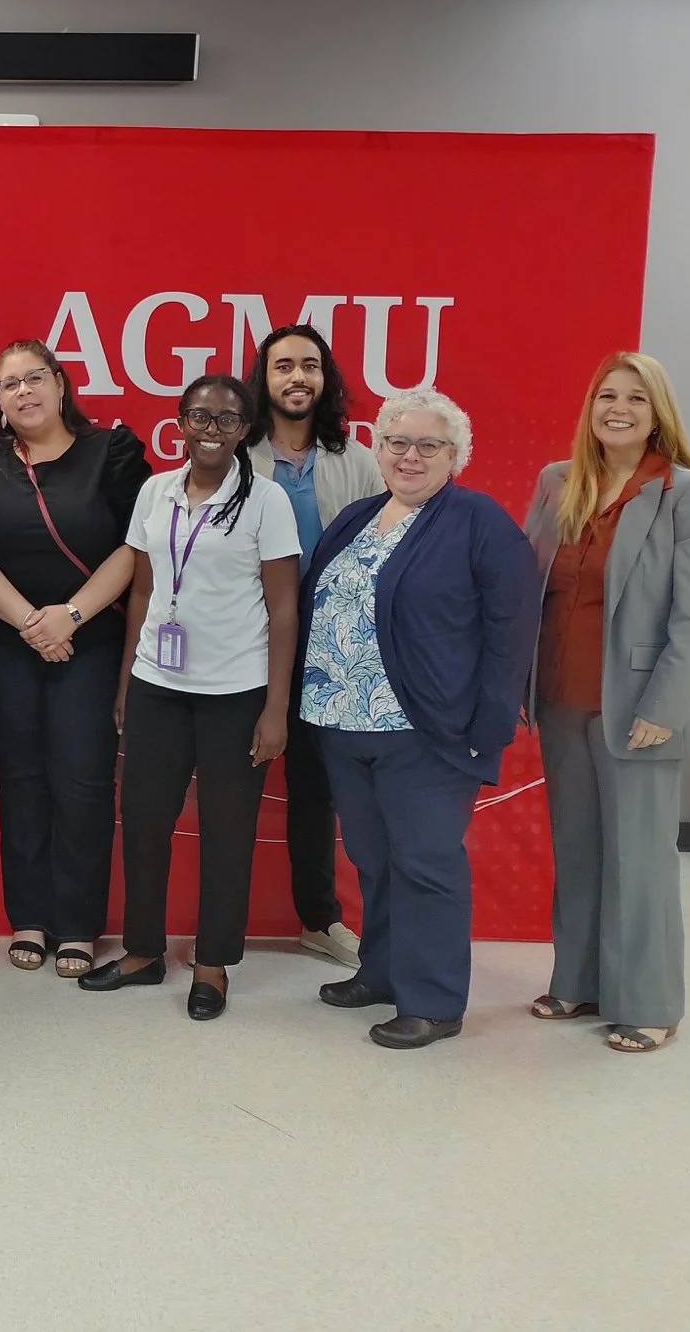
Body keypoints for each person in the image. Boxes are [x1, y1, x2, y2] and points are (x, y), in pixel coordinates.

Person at [298, 390, 536, 1049]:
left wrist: (488, 723)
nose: (410, 455)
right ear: (377, 450)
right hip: (342, 726)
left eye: (428, 445)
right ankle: (383, 972)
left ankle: (432, 1002)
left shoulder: (479, 522)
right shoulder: (356, 517)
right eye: (397, 442)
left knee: (426, 862)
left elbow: (511, 629)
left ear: (455, 456)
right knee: (374, 860)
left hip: (428, 732)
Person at [524, 352, 690, 1055]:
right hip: (559, 701)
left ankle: (648, 1001)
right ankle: (578, 982)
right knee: (578, 850)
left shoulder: (684, 493)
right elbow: (528, 588)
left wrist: (664, 703)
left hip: (639, 708)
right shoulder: (556, 483)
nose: (618, 408)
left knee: (638, 858)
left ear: (656, 412)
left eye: (635, 399)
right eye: (606, 395)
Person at [82, 376, 299, 1020]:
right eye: (198, 417)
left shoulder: (266, 501)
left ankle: (212, 964)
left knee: (227, 833)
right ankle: (144, 952)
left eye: (227, 421)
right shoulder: (156, 492)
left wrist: (275, 707)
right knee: (145, 823)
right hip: (157, 687)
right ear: (179, 422)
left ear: (244, 431)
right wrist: (127, 682)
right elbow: (143, 595)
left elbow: (284, 608)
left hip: (236, 693)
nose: (210, 430)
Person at [0, 341, 150, 978]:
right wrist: (29, 621)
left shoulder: (113, 451)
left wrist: (69, 616)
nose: (23, 392)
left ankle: (77, 924)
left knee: (83, 782)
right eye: (8, 384)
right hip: (8, 638)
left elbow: (137, 544)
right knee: (21, 780)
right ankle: (31, 917)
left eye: (34, 378)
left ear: (61, 384)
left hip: (91, 641)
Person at [244, 324, 383, 969]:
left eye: (309, 366)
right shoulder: (238, 457)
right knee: (234, 783)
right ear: (263, 380)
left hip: (332, 653)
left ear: (324, 379)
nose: (296, 377)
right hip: (249, 646)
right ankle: (220, 922)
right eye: (282, 367)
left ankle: (319, 917)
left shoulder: (357, 459)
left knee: (317, 789)